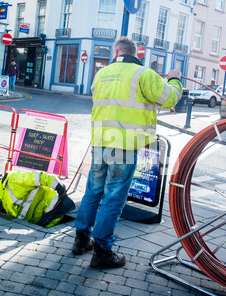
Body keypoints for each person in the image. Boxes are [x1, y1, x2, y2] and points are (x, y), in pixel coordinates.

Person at [72, 36, 182, 269]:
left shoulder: (102, 73)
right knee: (113, 198)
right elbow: (170, 98)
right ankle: (102, 251)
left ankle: (81, 240)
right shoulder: (143, 74)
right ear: (136, 53)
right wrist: (174, 80)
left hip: (101, 142)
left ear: (116, 52)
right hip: (123, 145)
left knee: (93, 191)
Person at [0, 170, 75, 228]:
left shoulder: (13, 180)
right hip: (43, 216)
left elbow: (40, 176)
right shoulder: (5, 200)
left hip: (56, 205)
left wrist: (59, 187)